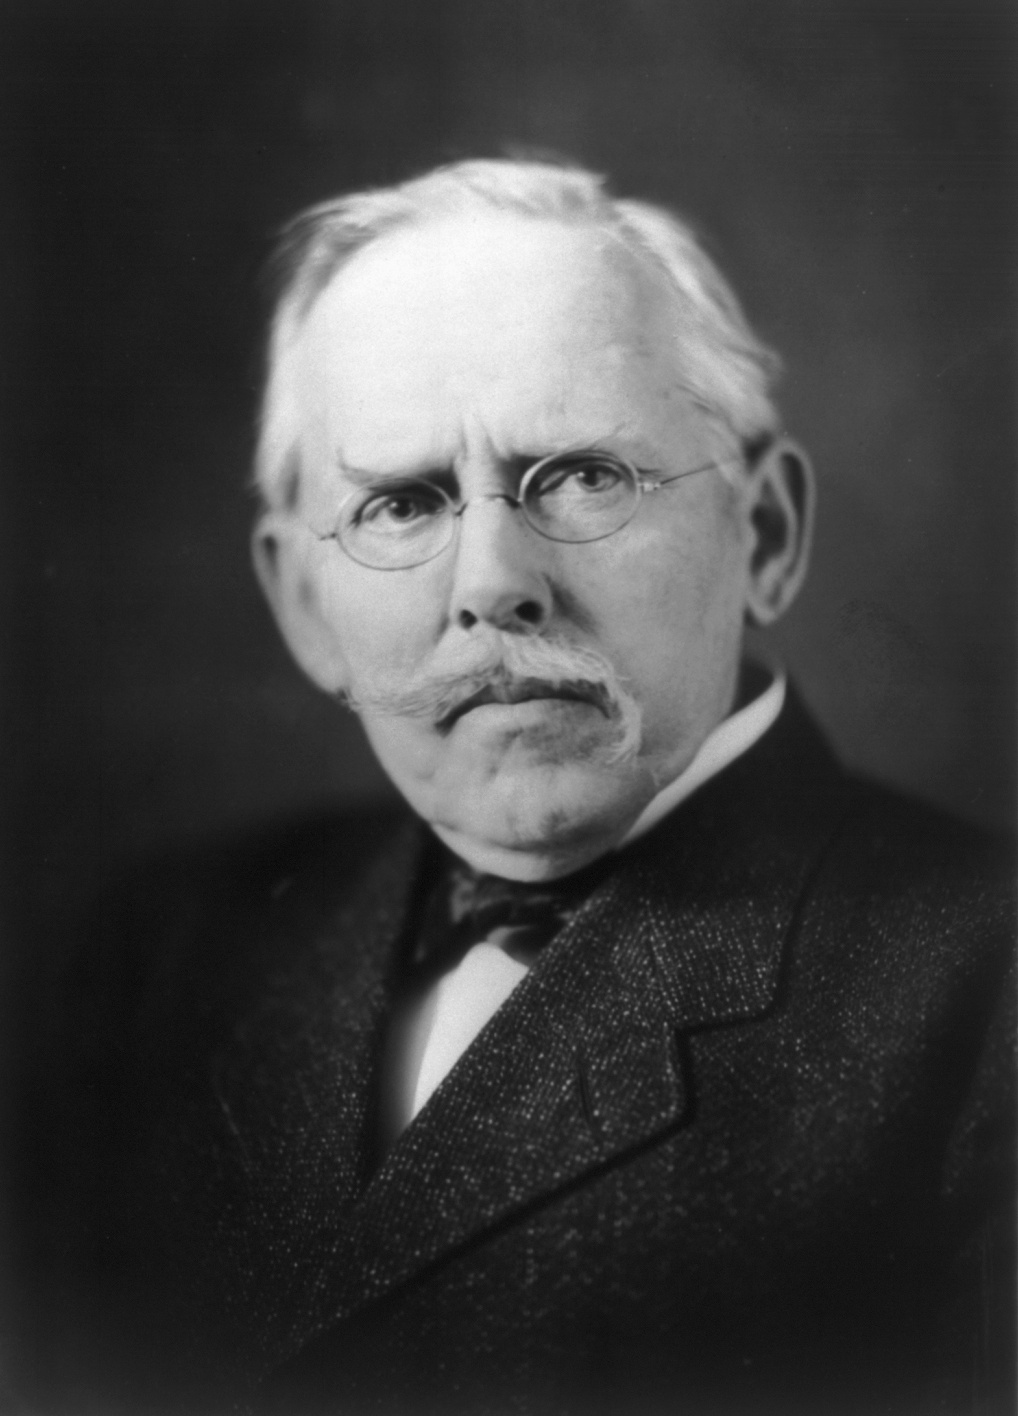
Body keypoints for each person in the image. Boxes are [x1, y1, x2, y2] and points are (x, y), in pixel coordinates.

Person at [16, 159, 1015, 1416]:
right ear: (302, 602)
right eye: (398, 502)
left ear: (763, 535)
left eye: (583, 475)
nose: (493, 580)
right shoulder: (151, 958)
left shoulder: (987, 1002)